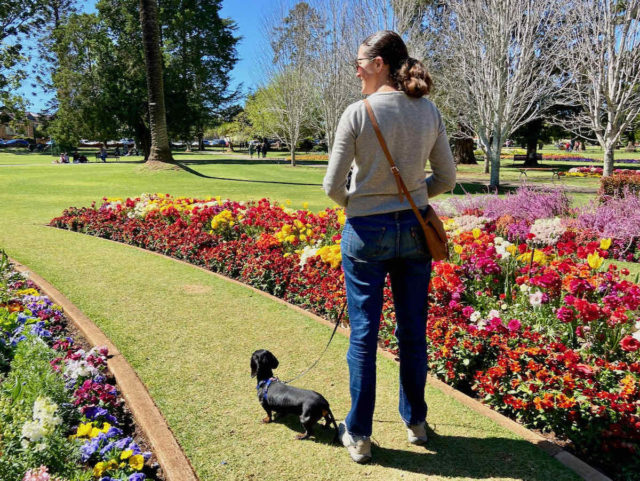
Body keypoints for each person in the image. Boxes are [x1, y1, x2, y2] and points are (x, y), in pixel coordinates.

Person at [323, 30, 456, 464]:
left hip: (366, 232)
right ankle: (416, 422)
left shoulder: (357, 113)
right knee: (413, 331)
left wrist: (360, 203)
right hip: (416, 231)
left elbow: (331, 186)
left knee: (363, 335)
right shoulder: (428, 110)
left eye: (359, 61)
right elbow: (447, 178)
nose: (355, 68)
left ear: (379, 63)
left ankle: (359, 435)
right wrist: (415, 200)